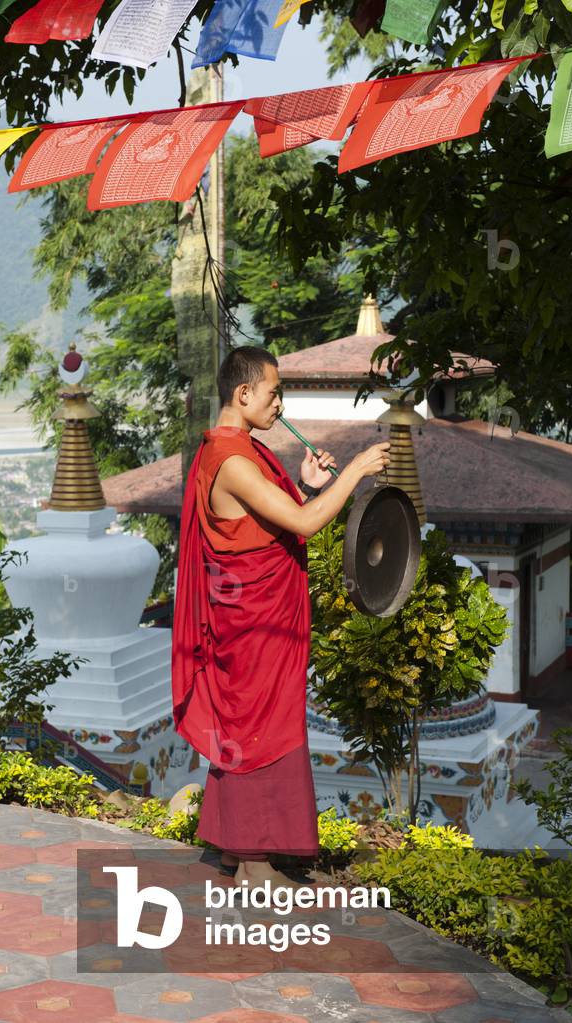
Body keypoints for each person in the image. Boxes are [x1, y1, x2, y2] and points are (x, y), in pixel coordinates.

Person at [171, 346, 390, 892]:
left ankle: (241, 851)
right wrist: (356, 469)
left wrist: (309, 483)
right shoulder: (235, 461)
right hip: (252, 628)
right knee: (256, 733)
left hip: (256, 620)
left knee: (258, 730)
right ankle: (251, 865)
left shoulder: (232, 450)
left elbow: (267, 520)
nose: (279, 403)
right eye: (274, 393)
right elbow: (302, 523)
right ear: (243, 394)